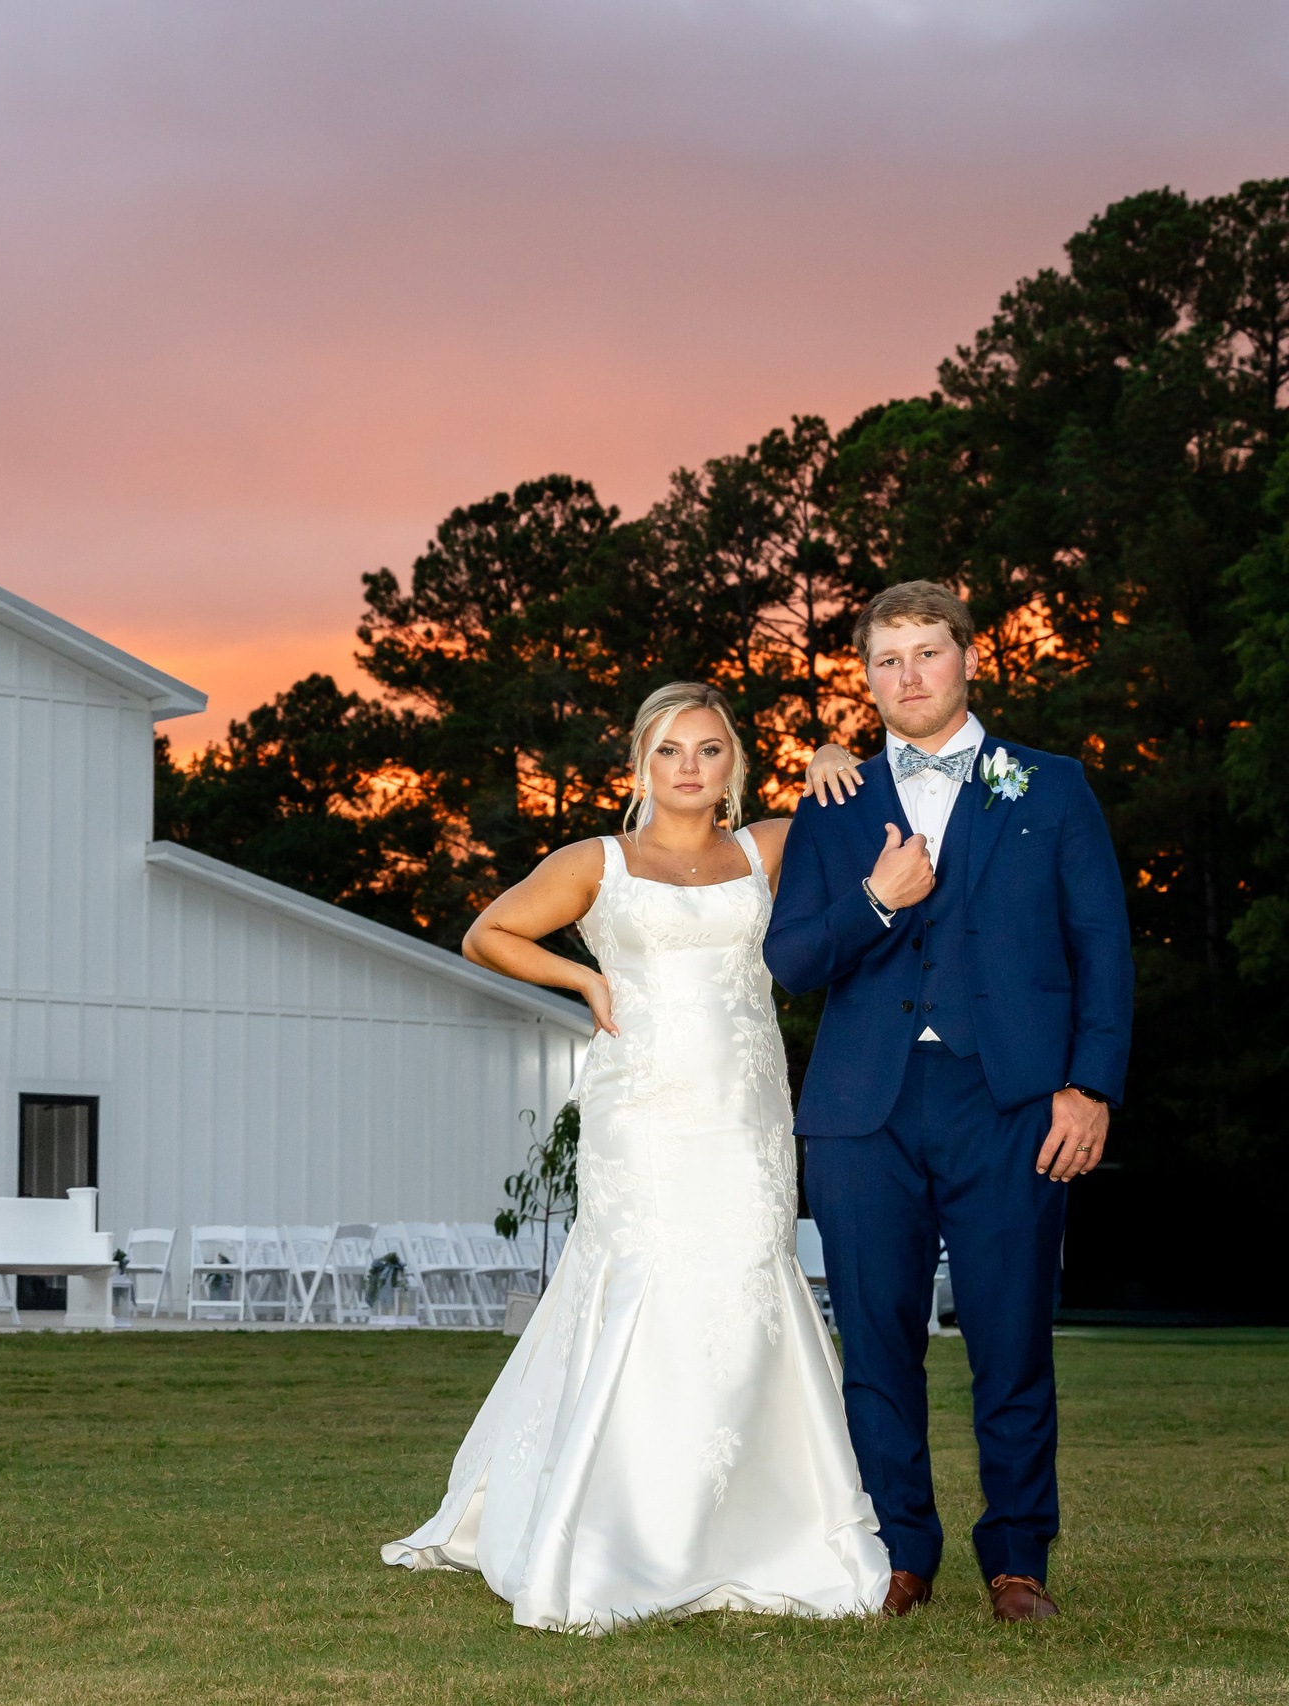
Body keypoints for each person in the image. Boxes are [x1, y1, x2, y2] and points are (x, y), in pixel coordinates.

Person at [382, 681, 890, 1632]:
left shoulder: (771, 846)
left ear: (735, 763)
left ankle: (754, 1525)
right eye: (669, 751)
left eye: (708, 749)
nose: (689, 767)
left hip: (746, 1112)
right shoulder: (597, 861)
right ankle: (622, 1525)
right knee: (648, 1279)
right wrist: (582, 977)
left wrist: (835, 761)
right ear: (639, 767)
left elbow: (883, 827)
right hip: (644, 1112)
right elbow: (487, 932)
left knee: (748, 1277)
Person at [767, 582, 1131, 1624]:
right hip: (862, 1111)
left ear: (969, 657)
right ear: (867, 677)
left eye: (927, 651)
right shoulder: (831, 802)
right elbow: (791, 958)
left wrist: (1090, 1085)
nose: (909, 674)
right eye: (887, 659)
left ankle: (1016, 1561)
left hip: (1010, 1100)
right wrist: (875, 900)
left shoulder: (1050, 785)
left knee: (1011, 1338)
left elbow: (1102, 946)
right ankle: (897, 1553)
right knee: (876, 1345)